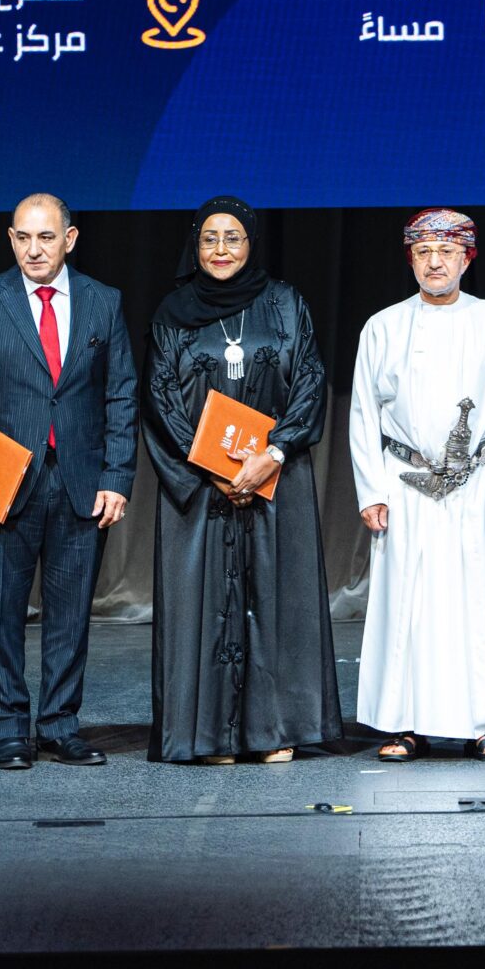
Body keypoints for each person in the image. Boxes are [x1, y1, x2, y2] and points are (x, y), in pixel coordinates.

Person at [0, 194, 136, 771]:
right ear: (11, 239)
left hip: (81, 482)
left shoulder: (103, 302)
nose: (33, 249)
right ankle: (9, 729)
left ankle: (59, 725)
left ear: (68, 240)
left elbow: (121, 394)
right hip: (6, 484)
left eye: (45, 237)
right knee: (1, 613)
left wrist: (117, 476)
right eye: (23, 237)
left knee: (71, 615)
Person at [142, 196, 342, 764]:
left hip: (276, 477)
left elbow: (309, 379)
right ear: (195, 246)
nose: (221, 249)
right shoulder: (172, 313)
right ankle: (208, 736)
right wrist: (215, 466)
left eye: (233, 238)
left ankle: (274, 730)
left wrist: (272, 453)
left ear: (251, 243)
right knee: (201, 606)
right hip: (201, 485)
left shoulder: (285, 304)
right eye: (209, 238)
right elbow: (159, 396)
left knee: (278, 601)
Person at [351, 209, 485, 763]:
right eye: (424, 251)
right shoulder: (383, 326)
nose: (435, 262)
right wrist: (371, 490)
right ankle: (403, 722)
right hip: (405, 483)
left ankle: (484, 723)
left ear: (466, 258)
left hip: (474, 482)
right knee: (407, 603)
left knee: (476, 603)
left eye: (447, 251)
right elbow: (363, 413)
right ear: (410, 259)